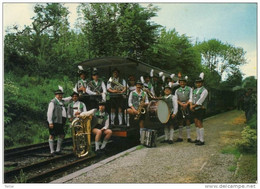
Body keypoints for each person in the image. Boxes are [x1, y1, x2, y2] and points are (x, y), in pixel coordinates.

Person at [47, 86, 72, 156]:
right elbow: (49, 113)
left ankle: (58, 150)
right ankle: (52, 151)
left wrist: (74, 94)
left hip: (61, 121)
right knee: (52, 135)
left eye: (61, 95)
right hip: (54, 121)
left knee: (61, 135)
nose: (60, 96)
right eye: (59, 95)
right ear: (56, 95)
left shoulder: (62, 101)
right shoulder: (53, 102)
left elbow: (68, 99)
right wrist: (50, 122)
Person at [190, 73, 208, 146]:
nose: (198, 84)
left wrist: (193, 106)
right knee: (196, 123)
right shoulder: (194, 90)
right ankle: (198, 138)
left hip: (200, 108)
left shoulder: (205, 90)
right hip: (194, 108)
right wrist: (191, 105)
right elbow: (191, 98)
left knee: (200, 123)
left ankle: (202, 140)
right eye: (197, 83)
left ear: (202, 83)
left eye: (199, 82)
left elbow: (200, 100)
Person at [175, 76, 194, 143]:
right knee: (180, 121)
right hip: (180, 106)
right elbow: (176, 99)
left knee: (188, 121)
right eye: (181, 82)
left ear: (185, 83)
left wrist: (186, 104)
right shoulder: (177, 90)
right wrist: (181, 104)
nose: (182, 83)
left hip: (187, 105)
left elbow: (191, 97)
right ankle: (180, 137)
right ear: (179, 83)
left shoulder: (189, 89)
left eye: (183, 82)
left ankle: (189, 137)